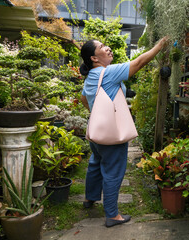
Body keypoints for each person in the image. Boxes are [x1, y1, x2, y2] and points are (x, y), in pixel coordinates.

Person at [79, 36, 169, 228]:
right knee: (113, 172)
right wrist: (161, 45)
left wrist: (96, 115)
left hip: (95, 134)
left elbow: (84, 99)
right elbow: (140, 62)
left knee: (95, 163)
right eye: (102, 47)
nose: (108, 48)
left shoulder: (90, 77)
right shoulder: (108, 72)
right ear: (94, 58)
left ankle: (90, 198)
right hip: (111, 136)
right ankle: (112, 215)